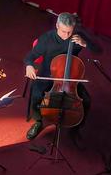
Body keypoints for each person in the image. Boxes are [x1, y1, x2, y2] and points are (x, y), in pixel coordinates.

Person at [24, 12, 96, 140]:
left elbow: (98, 50)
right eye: (63, 31)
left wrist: (85, 43)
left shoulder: (78, 37)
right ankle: (38, 122)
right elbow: (30, 56)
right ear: (57, 25)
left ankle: (76, 127)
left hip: (70, 77)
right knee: (36, 95)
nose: (67, 35)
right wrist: (29, 65)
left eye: (69, 32)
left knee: (86, 100)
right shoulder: (47, 39)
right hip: (48, 73)